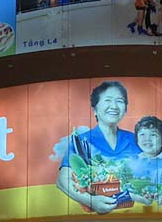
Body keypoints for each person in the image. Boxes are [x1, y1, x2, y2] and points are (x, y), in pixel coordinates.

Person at [56, 81, 142, 214]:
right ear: (94, 109)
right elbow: (62, 180)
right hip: (92, 220)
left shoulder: (135, 140)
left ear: (125, 109)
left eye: (119, 101)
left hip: (134, 215)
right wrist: (91, 201)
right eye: (107, 100)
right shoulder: (81, 142)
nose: (114, 106)